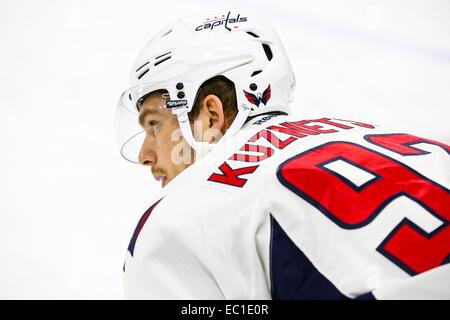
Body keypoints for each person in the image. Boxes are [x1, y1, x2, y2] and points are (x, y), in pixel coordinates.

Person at [115, 8, 450, 299]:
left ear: (211, 117)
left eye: (154, 125)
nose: (146, 154)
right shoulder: (385, 135)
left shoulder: (179, 217)